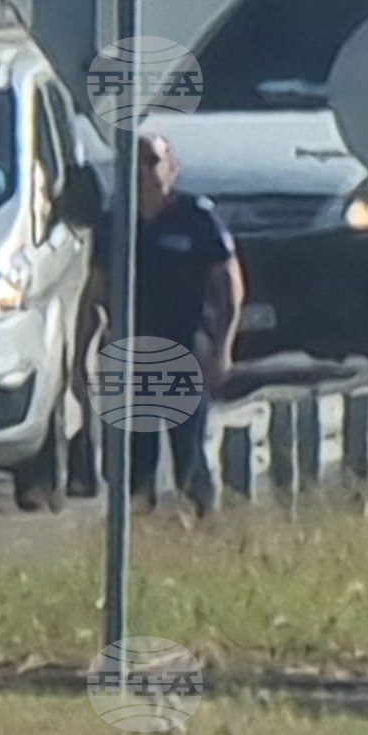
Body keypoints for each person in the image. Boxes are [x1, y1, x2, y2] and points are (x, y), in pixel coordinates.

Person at [116, 133, 242, 512]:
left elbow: (231, 288)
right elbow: (96, 294)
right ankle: (141, 536)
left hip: (186, 347)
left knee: (188, 452)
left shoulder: (195, 218)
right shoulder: (117, 222)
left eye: (152, 161)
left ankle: (203, 527)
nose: (143, 171)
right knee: (133, 460)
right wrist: (79, 361)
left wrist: (223, 348)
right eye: (134, 163)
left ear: (172, 168)